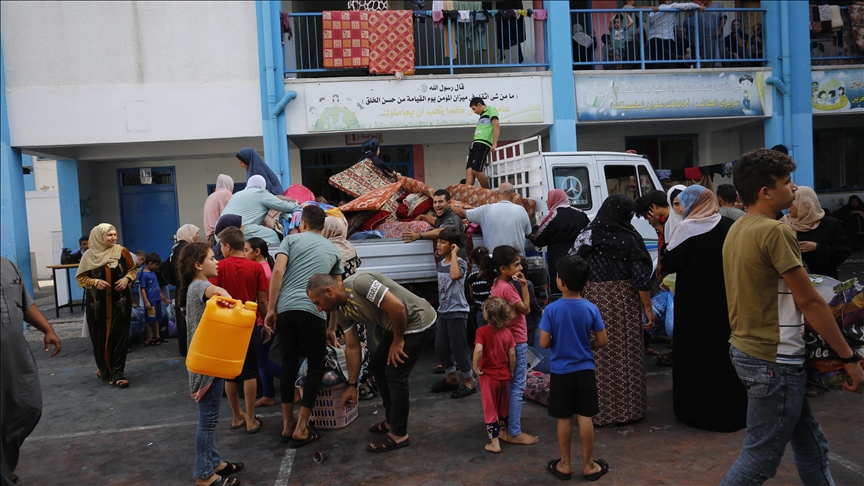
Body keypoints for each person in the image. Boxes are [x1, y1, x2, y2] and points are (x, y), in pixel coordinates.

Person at [720, 149, 864, 485]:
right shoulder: (776, 231)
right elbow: (811, 303)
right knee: (760, 461)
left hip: (748, 350)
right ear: (765, 192)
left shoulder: (738, 228)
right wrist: (849, 358)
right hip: (775, 358)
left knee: (812, 443)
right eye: (787, 182)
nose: (795, 188)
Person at [307, 271, 437, 453]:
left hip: (417, 321)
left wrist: (398, 341)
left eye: (318, 303)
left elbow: (397, 307)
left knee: (395, 374)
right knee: (377, 366)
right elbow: (352, 347)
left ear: (329, 292)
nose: (319, 309)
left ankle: (399, 433)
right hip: (395, 324)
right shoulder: (342, 312)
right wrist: (352, 385)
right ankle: (392, 419)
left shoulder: (360, 283)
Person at [662, 185, 747, 432]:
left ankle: (694, 410)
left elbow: (672, 262)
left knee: (694, 353)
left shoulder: (686, 228)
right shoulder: (728, 226)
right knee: (723, 353)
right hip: (725, 301)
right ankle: (730, 410)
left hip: (694, 304)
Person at [570, 195, 655, 426]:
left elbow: (572, 267)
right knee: (625, 354)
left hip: (591, 301)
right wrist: (647, 307)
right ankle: (628, 409)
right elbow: (640, 278)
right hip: (623, 304)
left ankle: (597, 412)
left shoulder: (586, 235)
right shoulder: (630, 239)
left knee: (596, 355)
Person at [264, 206, 344, 447]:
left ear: (304, 224)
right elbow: (336, 294)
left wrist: (271, 308)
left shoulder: (290, 239)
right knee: (316, 367)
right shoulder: (334, 249)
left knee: (288, 364)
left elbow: (277, 271)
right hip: (313, 311)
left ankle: (287, 425)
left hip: (286, 310)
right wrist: (332, 326)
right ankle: (302, 427)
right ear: (323, 227)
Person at [176, 242, 244, 486]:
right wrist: (228, 297)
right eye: (211, 258)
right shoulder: (202, 286)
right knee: (208, 420)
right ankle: (204, 475)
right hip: (207, 365)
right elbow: (217, 293)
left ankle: (214, 461)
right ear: (197, 265)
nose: (216, 262)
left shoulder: (191, 287)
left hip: (203, 360)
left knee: (210, 418)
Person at [539, 255, 609, 481]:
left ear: (561, 282)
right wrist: (587, 346)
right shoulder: (591, 308)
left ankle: (565, 465)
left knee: (564, 418)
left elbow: (543, 343)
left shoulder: (551, 309)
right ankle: (589, 465)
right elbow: (602, 339)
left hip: (561, 371)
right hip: (585, 370)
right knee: (585, 416)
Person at [1, 257, 62, 486]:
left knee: (28, 406)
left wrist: (47, 328)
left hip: (14, 353)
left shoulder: (7, 265)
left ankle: (4, 465)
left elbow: (25, 303)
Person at [209, 227, 268, 435]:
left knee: (230, 374)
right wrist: (267, 322)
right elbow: (261, 299)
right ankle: (251, 419)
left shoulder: (220, 267)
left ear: (226, 246)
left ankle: (237, 416)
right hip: (248, 322)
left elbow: (213, 296)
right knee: (250, 371)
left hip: (226, 324)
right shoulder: (256, 268)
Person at [484, 245, 539, 445]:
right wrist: (524, 286)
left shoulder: (497, 284)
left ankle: (505, 427)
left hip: (505, 341)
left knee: (507, 385)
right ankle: (514, 432)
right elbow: (525, 309)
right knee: (517, 386)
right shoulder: (508, 288)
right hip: (516, 341)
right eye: (515, 265)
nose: (520, 268)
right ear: (503, 268)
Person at [76, 224, 138, 388]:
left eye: (114, 234)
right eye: (108, 235)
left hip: (120, 302)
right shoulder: (89, 255)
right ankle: (104, 369)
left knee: (119, 335)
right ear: (99, 237)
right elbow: (81, 278)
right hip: (97, 304)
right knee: (100, 336)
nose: (113, 238)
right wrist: (95, 282)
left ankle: (118, 373)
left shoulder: (121, 252)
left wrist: (126, 279)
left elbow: (132, 270)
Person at [431, 228, 476, 399]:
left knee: (459, 347)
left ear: (452, 245)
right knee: (440, 345)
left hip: (457, 310)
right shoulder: (440, 264)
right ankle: (451, 377)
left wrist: (456, 255)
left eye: (442, 242)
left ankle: (469, 380)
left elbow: (456, 275)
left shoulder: (461, 263)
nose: (438, 245)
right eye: (438, 241)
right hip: (443, 311)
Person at [472, 297, 516, 454]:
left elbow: (478, 350)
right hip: (504, 376)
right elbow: (512, 355)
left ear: (486, 315)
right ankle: (504, 432)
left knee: (490, 410)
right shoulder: (508, 333)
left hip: (488, 378)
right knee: (502, 407)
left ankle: (494, 443)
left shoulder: (482, 332)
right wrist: (511, 371)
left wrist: (475, 367)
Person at [243, 237, 282, 409]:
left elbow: (263, 301)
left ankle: (294, 381)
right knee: (261, 357)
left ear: (257, 251)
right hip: (263, 318)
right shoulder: (266, 267)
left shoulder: (261, 270)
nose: (244, 253)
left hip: (263, 319)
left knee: (260, 358)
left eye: (246, 250)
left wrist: (266, 323)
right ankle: (268, 394)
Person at [781, 186, 850, 279]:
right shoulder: (783, 224)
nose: (788, 207)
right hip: (792, 283)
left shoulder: (830, 224)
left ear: (805, 204)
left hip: (824, 282)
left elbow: (843, 253)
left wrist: (818, 248)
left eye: (792, 202)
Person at [529, 189, 589, 295]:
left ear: (555, 200)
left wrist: (533, 229)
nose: (547, 201)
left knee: (560, 288)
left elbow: (538, 239)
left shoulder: (553, 216)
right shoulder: (581, 214)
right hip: (579, 258)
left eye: (549, 198)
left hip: (558, 261)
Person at [455, 182, 532, 255]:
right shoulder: (521, 210)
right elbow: (528, 233)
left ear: (497, 195)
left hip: (495, 260)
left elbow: (462, 213)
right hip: (516, 261)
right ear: (512, 196)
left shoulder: (485, 210)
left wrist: (448, 205)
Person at [220, 175, 298, 245]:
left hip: (220, 231)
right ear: (263, 185)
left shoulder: (237, 194)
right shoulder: (261, 193)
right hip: (241, 228)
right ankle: (272, 260)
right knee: (272, 236)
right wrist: (296, 204)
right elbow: (285, 207)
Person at [402, 189, 467, 259]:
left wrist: (419, 235)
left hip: (456, 263)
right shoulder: (442, 217)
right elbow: (435, 221)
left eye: (440, 202)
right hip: (445, 263)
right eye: (435, 202)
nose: (437, 205)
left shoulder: (453, 219)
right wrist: (422, 216)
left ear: (448, 203)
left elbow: (441, 231)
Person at [166, 224, 200, 356]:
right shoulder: (187, 250)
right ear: (189, 234)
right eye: (196, 233)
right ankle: (190, 349)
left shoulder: (176, 249)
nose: (198, 236)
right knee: (188, 318)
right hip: (187, 288)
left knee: (182, 319)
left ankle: (185, 349)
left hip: (181, 288)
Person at [645, 1, 703, 69]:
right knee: (671, 60)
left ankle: (658, 78)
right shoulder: (671, 7)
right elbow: (687, 6)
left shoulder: (651, 13)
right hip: (667, 38)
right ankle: (670, 77)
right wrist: (699, 6)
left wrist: (647, 39)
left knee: (656, 61)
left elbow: (647, 27)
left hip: (653, 39)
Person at [465, 97, 499, 188]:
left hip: (483, 143)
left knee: (476, 170)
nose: (474, 111)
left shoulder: (490, 110)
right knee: (469, 170)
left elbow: (496, 125)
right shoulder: (482, 116)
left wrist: (494, 143)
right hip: (475, 143)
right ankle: (466, 193)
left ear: (479, 104)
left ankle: (487, 192)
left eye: (474, 109)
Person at [140, 252, 169, 346]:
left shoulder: (153, 273)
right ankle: (148, 338)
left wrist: (164, 298)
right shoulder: (144, 275)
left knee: (157, 319)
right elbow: (142, 289)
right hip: (151, 301)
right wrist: (146, 301)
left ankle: (157, 336)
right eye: (156, 265)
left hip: (157, 300)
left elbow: (158, 287)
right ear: (150, 263)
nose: (157, 267)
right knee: (149, 320)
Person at [203, 174, 235, 245]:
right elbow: (230, 216)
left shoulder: (210, 197)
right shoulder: (226, 194)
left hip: (210, 235)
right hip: (221, 235)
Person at [466, 246, 492, 328]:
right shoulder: (495, 274)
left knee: (482, 333)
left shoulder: (472, 277)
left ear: (473, 261)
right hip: (494, 310)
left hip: (480, 310)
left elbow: (471, 296)